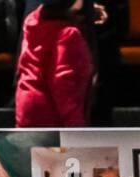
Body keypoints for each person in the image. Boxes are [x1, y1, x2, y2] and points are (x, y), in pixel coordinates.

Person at [15, 0, 92, 129]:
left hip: (26, 105)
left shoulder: (31, 21)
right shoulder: (68, 34)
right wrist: (76, 127)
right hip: (50, 114)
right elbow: (62, 84)